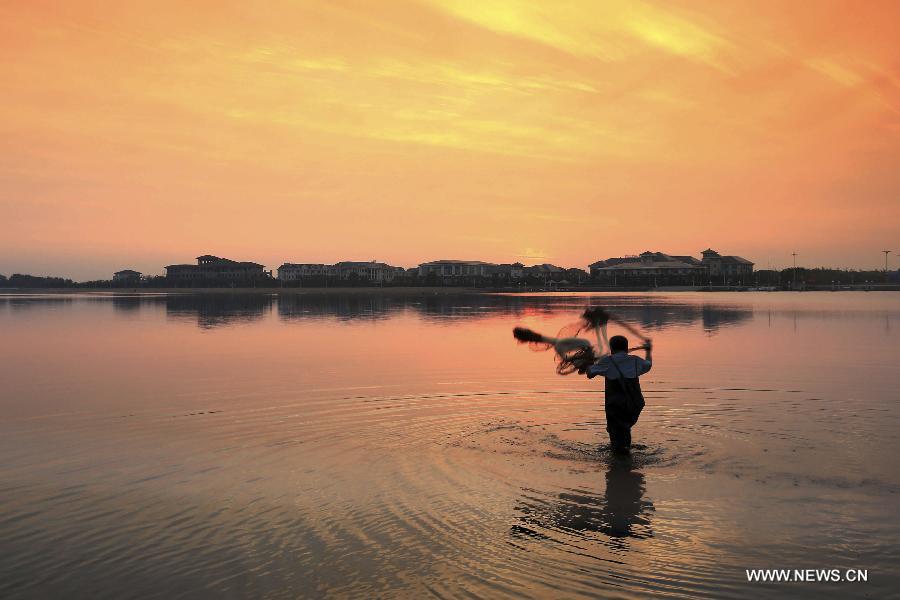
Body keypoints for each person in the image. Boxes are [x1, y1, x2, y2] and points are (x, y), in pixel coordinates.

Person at [587, 335, 652, 454]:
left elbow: (590, 373)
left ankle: (620, 462)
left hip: (616, 405)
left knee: (616, 433)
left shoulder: (607, 361)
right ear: (626, 348)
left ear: (611, 348)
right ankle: (625, 456)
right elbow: (648, 364)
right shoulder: (635, 360)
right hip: (633, 405)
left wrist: (588, 363)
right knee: (625, 429)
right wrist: (648, 351)